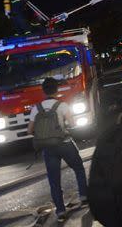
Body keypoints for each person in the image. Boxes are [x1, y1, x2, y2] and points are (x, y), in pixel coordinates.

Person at [28, 78, 88, 223]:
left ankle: (60, 211)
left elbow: (30, 131)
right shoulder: (62, 105)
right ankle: (84, 198)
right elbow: (72, 124)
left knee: (54, 180)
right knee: (78, 168)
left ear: (43, 91)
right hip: (65, 143)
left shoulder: (36, 108)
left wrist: (44, 133)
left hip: (48, 148)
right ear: (56, 90)